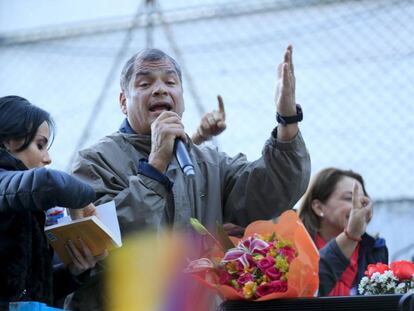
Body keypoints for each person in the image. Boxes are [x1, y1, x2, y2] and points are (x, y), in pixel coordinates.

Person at [68, 46, 310, 309]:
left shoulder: (209, 162)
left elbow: (271, 192)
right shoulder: (95, 162)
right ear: (123, 102)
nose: (160, 89)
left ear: (181, 98)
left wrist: (287, 121)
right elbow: (108, 241)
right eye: (145, 83)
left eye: (170, 82)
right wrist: (155, 166)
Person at [0, 96, 106, 308]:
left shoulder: (28, 205)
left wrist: (74, 271)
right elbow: (50, 183)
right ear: (9, 142)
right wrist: (82, 199)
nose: (48, 158)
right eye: (40, 145)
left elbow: (33, 294)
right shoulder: (9, 184)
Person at [298, 168, 388, 296]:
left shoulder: (374, 249)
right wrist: (350, 236)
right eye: (349, 198)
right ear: (318, 207)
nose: (359, 206)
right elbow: (307, 289)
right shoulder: (293, 249)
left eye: (363, 200)